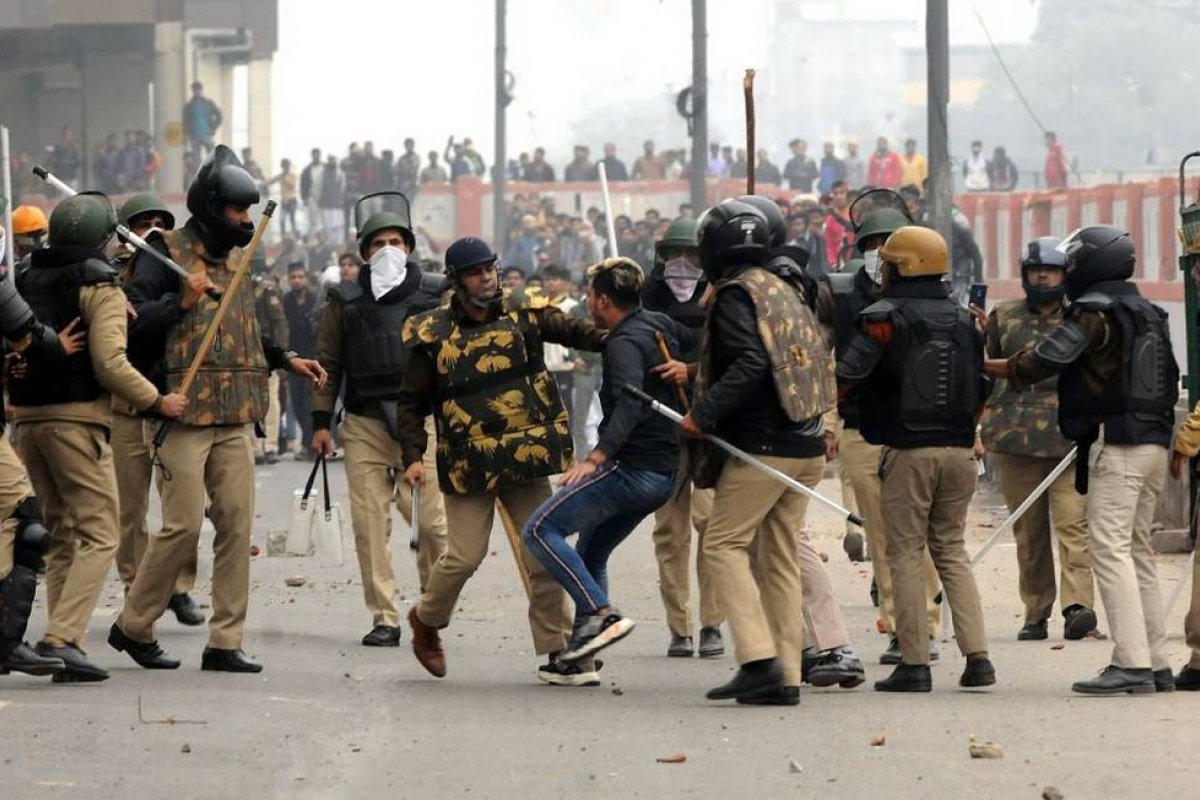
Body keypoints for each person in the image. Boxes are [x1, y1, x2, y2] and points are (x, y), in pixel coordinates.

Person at [112, 146, 325, 675]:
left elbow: (245, 332)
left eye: (249, 211)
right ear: (210, 208)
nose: (246, 221)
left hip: (235, 414)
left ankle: (225, 640)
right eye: (237, 211)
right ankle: (134, 625)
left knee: (235, 526)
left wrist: (286, 358)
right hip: (179, 414)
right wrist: (178, 303)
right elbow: (129, 331)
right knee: (181, 527)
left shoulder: (240, 262)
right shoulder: (162, 253)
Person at [398, 237, 608, 685]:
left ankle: (559, 652)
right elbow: (411, 403)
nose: (487, 277)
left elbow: (576, 332)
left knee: (543, 552)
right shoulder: (431, 332)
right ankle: (426, 621)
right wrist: (412, 455)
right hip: (467, 463)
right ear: (455, 281)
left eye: (490, 268)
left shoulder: (524, 310)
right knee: (463, 557)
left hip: (524, 456)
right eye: (476, 272)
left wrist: (622, 336)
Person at [985, 226, 1178, 695]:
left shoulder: (1094, 313)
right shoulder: (1149, 312)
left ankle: (1129, 662)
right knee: (1137, 553)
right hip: (1154, 442)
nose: (1066, 272)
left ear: (1091, 265)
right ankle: (1155, 662)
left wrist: (989, 365)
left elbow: (1045, 360)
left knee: (1108, 550)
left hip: (1119, 444)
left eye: (1072, 263)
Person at [9, 192, 187, 682]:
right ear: (104, 239)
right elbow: (111, 364)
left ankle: (65, 640)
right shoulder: (100, 284)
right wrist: (157, 400)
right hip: (77, 421)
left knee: (62, 534)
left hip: (26, 420)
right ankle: (62, 638)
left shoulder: (22, 278)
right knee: (102, 532)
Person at [683, 201, 837, 706]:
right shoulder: (786, 288)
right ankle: (787, 675)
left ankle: (756, 659)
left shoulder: (735, 296)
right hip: (807, 443)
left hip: (764, 447)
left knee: (721, 543)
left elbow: (750, 364)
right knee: (779, 557)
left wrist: (701, 414)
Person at [837, 225, 995, 693]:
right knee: (951, 551)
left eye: (887, 261)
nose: (880, 268)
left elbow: (848, 374)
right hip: (961, 452)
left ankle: (914, 662)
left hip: (908, 452)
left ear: (904, 266)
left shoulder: (882, 317)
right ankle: (979, 658)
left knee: (904, 552)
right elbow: (983, 384)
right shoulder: (967, 319)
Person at [523, 257, 689, 668]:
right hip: (665, 474)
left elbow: (631, 399)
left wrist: (598, 456)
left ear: (601, 301)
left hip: (632, 470)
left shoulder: (623, 343)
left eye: (589, 295)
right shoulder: (659, 325)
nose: (587, 301)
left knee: (540, 530)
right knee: (592, 550)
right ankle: (581, 655)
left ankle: (602, 613)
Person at [312, 193, 449, 646]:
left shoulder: (436, 294)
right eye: (377, 243)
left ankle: (429, 609)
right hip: (365, 423)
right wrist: (320, 422)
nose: (386, 249)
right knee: (370, 527)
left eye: (395, 241)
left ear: (409, 246)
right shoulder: (345, 300)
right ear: (363, 252)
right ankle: (385, 616)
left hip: (422, 426)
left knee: (432, 527)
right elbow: (328, 362)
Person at [817, 206, 944, 665]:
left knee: (915, 534)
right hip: (860, 426)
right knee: (883, 535)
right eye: (873, 245)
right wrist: (827, 424)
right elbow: (823, 360)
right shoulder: (840, 295)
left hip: (913, 428)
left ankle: (926, 623)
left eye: (889, 243)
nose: (882, 253)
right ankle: (898, 625)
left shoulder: (932, 296)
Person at [980, 237, 1097, 642]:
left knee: (1073, 526)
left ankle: (1078, 607)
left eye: (1050, 270)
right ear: (1026, 275)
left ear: (1065, 275)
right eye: (1035, 270)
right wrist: (973, 430)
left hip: (1071, 444)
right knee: (1028, 534)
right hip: (1017, 444)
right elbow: (983, 373)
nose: (1043, 276)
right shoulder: (1004, 317)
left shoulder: (1082, 319)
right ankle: (1035, 611)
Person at [110, 194, 204, 624]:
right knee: (129, 508)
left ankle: (179, 585)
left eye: (158, 222)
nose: (151, 229)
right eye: (142, 222)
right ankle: (135, 582)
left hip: (171, 402)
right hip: (127, 407)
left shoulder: (177, 274)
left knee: (180, 508)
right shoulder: (107, 278)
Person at [641, 218, 723, 659]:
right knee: (670, 533)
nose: (684, 265)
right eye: (676, 256)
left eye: (693, 256)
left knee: (712, 528)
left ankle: (713, 623)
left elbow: (737, 362)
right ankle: (680, 627)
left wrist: (691, 373)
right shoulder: (645, 301)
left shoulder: (723, 300)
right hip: (663, 432)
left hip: (710, 431)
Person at [284, 263, 318, 460]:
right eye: (293, 277)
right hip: (292, 360)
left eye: (300, 276)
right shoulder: (285, 301)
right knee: (296, 404)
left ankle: (308, 444)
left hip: (312, 359)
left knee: (308, 404)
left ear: (306, 278)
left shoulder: (315, 300)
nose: (297, 280)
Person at [182, 81, 222, 162]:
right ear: (192, 91)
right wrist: (186, 133)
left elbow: (219, 116)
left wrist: (213, 127)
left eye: (198, 89)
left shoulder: (208, 103)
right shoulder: (189, 105)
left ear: (201, 90)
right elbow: (185, 121)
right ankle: (199, 172)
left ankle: (213, 171)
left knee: (212, 155)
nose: (196, 92)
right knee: (196, 158)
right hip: (194, 134)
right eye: (194, 90)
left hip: (207, 133)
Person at [267, 158, 299, 236]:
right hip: (284, 201)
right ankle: (283, 235)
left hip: (292, 200)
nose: (286, 167)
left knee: (292, 219)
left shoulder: (292, 175)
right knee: (282, 219)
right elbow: (270, 182)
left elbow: (293, 186)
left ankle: (294, 235)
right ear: (282, 166)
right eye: (284, 166)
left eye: (287, 165)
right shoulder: (280, 176)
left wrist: (286, 178)